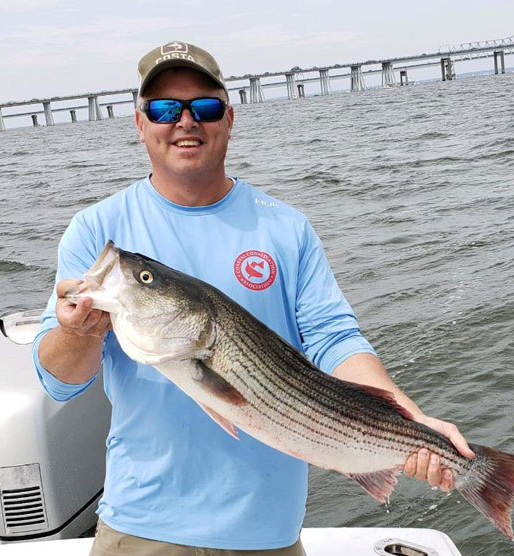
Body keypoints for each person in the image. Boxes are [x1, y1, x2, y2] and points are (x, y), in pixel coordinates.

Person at [33, 41, 474, 555]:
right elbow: (56, 382)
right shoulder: (98, 231)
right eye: (163, 108)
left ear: (229, 117)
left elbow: (335, 339)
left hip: (267, 533)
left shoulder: (285, 227)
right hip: (142, 524)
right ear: (139, 123)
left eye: (204, 106)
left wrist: (409, 420)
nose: (184, 122)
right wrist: (73, 332)